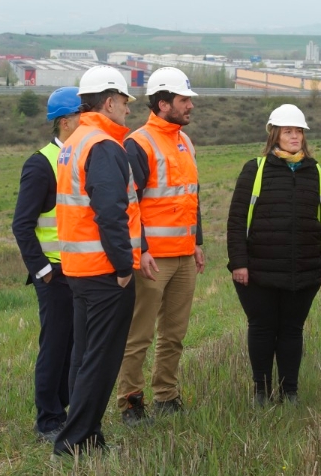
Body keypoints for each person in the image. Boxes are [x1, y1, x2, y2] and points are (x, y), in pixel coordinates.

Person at [52, 66, 141, 456]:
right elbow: (110, 213)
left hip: (79, 269)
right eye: (124, 103)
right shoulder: (104, 147)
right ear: (109, 101)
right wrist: (124, 267)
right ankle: (74, 442)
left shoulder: (75, 141)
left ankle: (86, 433)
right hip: (105, 272)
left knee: (85, 356)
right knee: (100, 362)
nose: (127, 111)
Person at [226, 104, 321, 405]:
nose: (295, 136)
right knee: (262, 329)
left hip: (303, 270)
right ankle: (261, 392)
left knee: (292, 331)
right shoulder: (256, 169)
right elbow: (237, 220)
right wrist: (239, 263)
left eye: (299, 131)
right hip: (258, 271)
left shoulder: (315, 171)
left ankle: (290, 391)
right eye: (288, 131)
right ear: (275, 134)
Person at [117, 67, 205, 425]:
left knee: (175, 334)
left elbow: (190, 197)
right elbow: (128, 204)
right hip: (153, 260)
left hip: (184, 257)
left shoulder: (185, 141)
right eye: (184, 100)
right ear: (163, 102)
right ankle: (131, 403)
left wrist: (197, 242)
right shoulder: (138, 143)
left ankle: (167, 396)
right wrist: (141, 250)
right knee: (139, 336)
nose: (190, 107)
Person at [11, 87, 81, 443]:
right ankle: (48, 419)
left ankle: (67, 408)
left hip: (82, 270)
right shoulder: (41, 164)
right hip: (54, 274)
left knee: (74, 345)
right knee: (54, 345)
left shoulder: (83, 157)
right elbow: (21, 224)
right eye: (83, 117)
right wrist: (43, 270)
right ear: (66, 122)